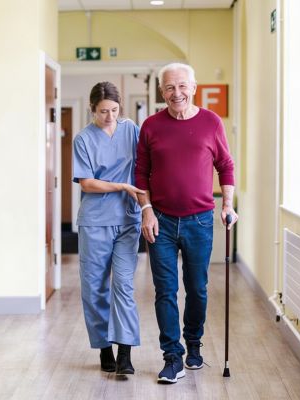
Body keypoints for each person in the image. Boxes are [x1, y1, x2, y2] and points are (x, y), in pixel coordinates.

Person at [135, 63, 238, 384]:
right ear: (161, 91)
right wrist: (146, 209)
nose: (175, 93)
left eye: (181, 86)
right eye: (168, 87)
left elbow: (226, 165)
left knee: (197, 289)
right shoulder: (151, 125)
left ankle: (193, 344)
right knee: (165, 291)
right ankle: (172, 356)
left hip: (200, 221)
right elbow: (140, 173)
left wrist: (229, 205)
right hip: (161, 221)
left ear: (193, 87)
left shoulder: (211, 122)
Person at [72, 81, 144, 375]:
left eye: (114, 110)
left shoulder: (132, 131)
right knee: (94, 289)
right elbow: (87, 183)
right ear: (92, 110)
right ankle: (104, 348)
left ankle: (125, 352)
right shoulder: (83, 139)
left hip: (128, 220)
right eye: (103, 111)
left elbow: (144, 168)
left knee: (123, 285)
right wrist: (122, 186)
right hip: (95, 222)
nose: (110, 116)